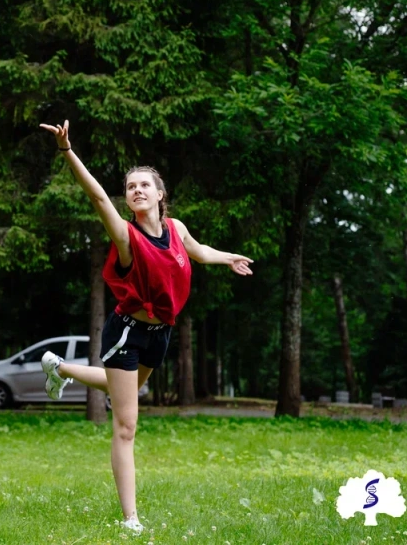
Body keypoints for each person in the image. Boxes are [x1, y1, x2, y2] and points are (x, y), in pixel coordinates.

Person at [37, 120, 253, 536]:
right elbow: (97, 196)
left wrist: (227, 258)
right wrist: (67, 151)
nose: (136, 190)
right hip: (126, 333)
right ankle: (130, 519)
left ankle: (59, 368)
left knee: (125, 389)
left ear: (159, 194)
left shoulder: (176, 229)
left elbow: (197, 251)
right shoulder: (126, 237)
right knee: (126, 425)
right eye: (130, 186)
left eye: (144, 185)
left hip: (160, 333)